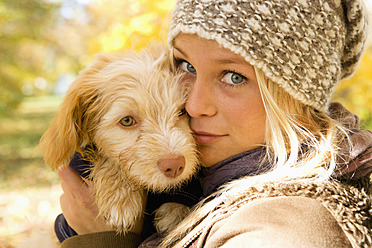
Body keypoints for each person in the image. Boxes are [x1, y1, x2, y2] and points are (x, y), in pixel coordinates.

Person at [56, 0, 372, 247]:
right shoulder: (215, 172)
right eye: (186, 65)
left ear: (297, 98)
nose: (191, 105)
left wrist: (104, 241)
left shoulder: (286, 228)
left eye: (234, 77)